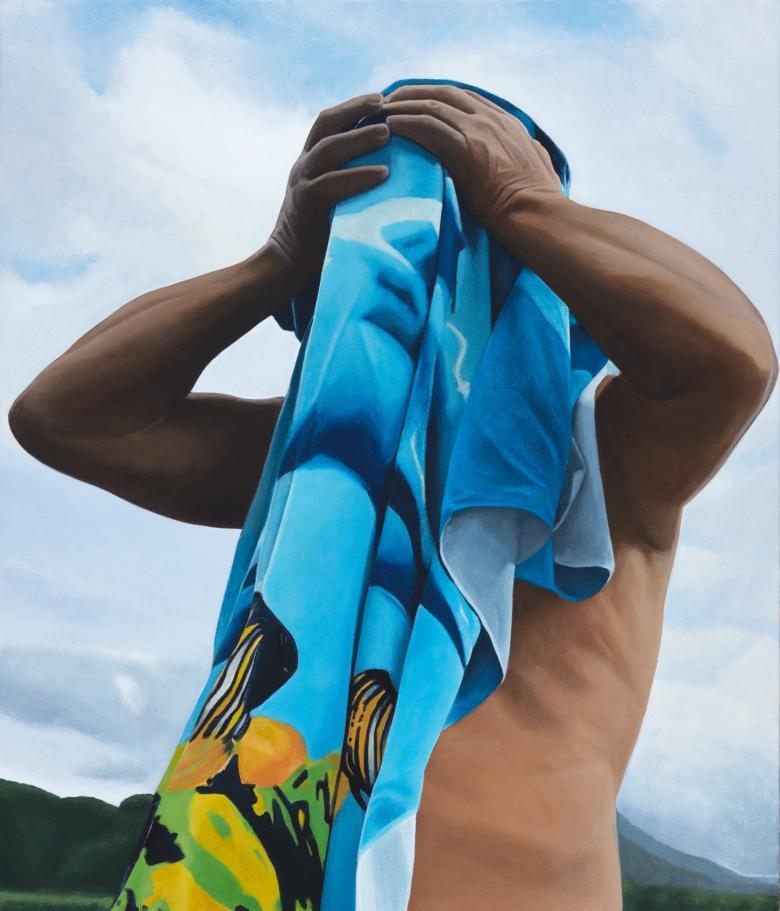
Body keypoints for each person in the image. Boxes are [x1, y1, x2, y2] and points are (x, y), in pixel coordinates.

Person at [8, 84, 777, 911]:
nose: (426, 279)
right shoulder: (330, 464)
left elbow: (735, 361)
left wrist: (523, 205)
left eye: (456, 245)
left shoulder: (608, 458)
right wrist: (272, 262)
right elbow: (62, 419)